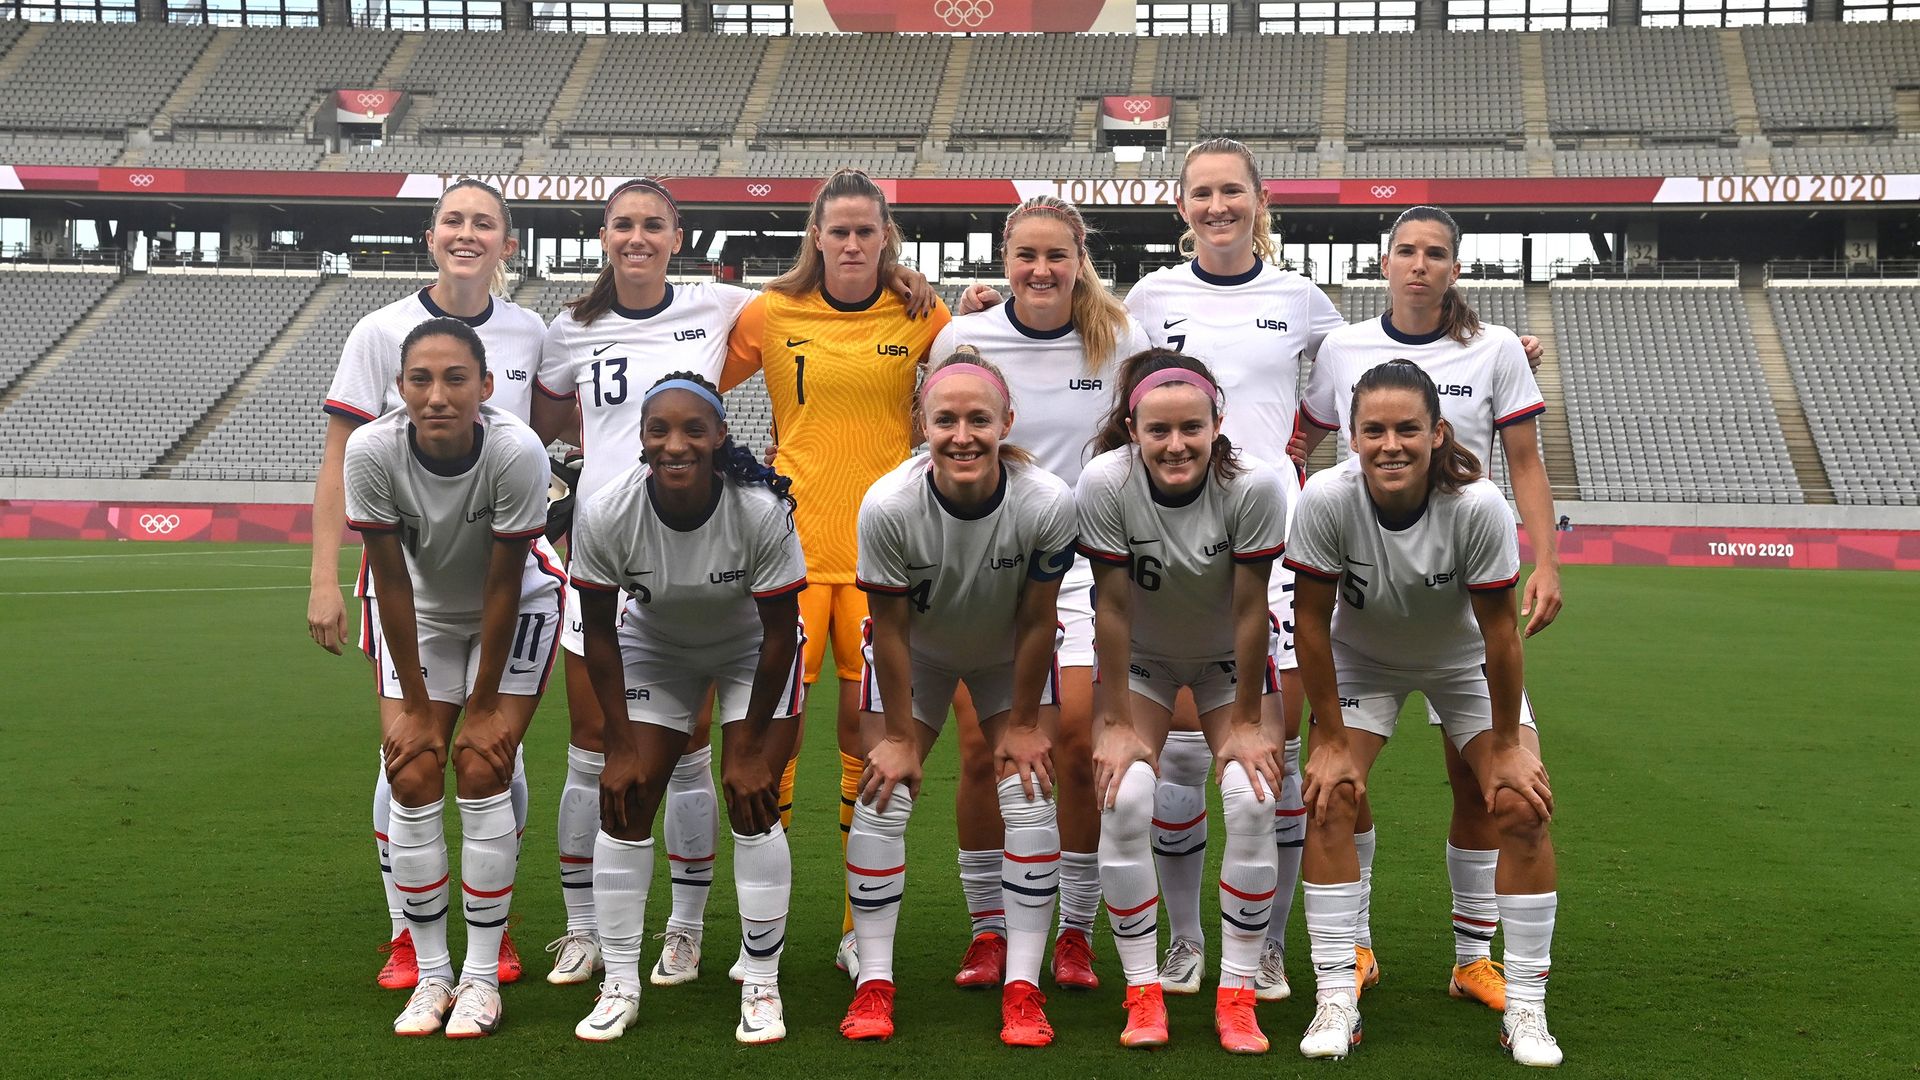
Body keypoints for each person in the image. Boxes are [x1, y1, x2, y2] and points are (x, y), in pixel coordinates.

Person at [1294, 204, 1563, 1011]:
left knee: (1483, 784)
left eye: (1435, 252)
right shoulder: (1342, 347)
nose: (1418, 263)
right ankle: (1355, 950)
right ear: (1384, 262)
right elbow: (1298, 441)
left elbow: (1524, 460)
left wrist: (1546, 559)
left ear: (1455, 268)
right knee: (1340, 783)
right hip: (1366, 599)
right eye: (1405, 250)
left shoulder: (1495, 350)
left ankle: (1473, 955)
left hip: (1459, 584)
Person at [309, 179, 551, 991]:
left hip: (500, 575)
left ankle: (495, 927)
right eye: (454, 219)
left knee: (495, 760)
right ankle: (407, 932)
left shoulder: (531, 331)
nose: (468, 233)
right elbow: (343, 457)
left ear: (508, 241)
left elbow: (542, 444)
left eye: (485, 221)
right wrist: (324, 578)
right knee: (405, 756)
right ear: (430, 233)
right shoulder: (380, 329)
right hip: (410, 573)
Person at [720, 168, 950, 978]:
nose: (852, 243)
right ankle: (764, 932)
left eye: (866, 230)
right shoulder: (769, 313)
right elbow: (688, 391)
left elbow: (973, 377)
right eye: (839, 230)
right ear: (814, 237)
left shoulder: (922, 314)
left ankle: (861, 930)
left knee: (870, 746)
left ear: (887, 236)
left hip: (883, 562)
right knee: (769, 743)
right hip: (786, 556)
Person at [534, 178, 754, 990]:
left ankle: (686, 930)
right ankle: (583, 927)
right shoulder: (570, 329)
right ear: (603, 235)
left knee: (689, 755)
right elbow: (550, 421)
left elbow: (808, 299)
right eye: (623, 224)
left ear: (676, 235)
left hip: (686, 561)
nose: (637, 237)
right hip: (600, 559)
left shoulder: (718, 305)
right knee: (590, 750)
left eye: (651, 225)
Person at [928, 195, 1150, 993]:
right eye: (1027, 255)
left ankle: (1077, 930)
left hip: (1088, 562)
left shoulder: (1121, 338)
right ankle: (990, 929)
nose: (1042, 270)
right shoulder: (967, 336)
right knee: (984, 753)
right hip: (987, 562)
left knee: (1077, 744)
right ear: (1004, 256)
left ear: (1079, 257)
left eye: (1058, 255)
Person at [839, 351, 1076, 1046]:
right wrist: (900, 737)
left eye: (979, 419)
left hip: (1009, 653)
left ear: (1007, 421)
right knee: (884, 787)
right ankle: (875, 980)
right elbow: (887, 624)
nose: (963, 435)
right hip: (918, 651)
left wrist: (1026, 723)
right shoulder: (888, 503)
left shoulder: (1047, 501)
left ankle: (1024, 987)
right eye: (946, 420)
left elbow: (1038, 621)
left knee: (1029, 788)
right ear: (923, 425)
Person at [565, 372, 808, 1045]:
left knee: (752, 800)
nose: (676, 444)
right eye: (659, 431)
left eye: (692, 430)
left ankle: (761, 981)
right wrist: (617, 745)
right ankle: (620, 983)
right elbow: (602, 633)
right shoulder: (608, 511)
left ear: (719, 436)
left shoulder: (759, 511)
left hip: (750, 653)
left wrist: (753, 748)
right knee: (629, 795)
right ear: (641, 440)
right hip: (657, 647)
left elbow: (782, 635)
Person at [343, 318, 565, 1037]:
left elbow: (505, 584)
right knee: (411, 770)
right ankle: (431, 974)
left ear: (486, 387)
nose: (437, 396)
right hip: (423, 613)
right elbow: (391, 583)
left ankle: (480, 977)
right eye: (420, 380)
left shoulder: (516, 450)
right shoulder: (372, 451)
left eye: (455, 379)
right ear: (400, 388)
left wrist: (488, 704)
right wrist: (412, 704)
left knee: (478, 764)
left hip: (516, 603)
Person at [1077, 349, 1290, 1054]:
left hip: (1230, 660)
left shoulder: (1255, 485)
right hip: (1142, 659)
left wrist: (1252, 723)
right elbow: (1109, 607)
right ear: (1131, 428)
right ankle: (1143, 992)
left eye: (1191, 428)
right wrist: (1110, 721)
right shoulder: (1105, 483)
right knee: (1126, 795)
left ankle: (1236, 994)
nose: (1176, 445)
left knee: (1255, 796)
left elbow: (1252, 607)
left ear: (1216, 423)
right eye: (1158, 430)